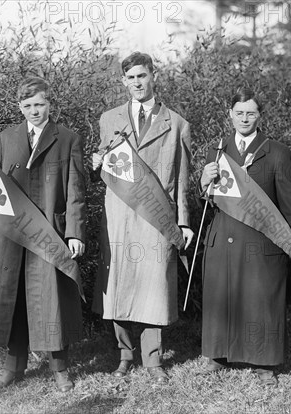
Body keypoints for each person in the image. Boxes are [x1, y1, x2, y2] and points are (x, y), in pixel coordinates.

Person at [0, 77, 86, 391]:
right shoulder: (5, 138)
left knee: (53, 298)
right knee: (14, 297)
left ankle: (60, 368)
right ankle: (13, 366)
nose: (34, 111)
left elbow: (75, 192)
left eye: (40, 104)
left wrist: (74, 233)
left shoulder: (68, 138)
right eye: (28, 105)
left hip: (50, 231)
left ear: (50, 105)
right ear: (20, 107)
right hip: (12, 233)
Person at [198, 89, 291, 387]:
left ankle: (264, 361)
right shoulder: (218, 150)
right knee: (223, 296)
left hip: (261, 239)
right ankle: (218, 353)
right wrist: (204, 181)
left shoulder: (275, 151)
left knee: (261, 299)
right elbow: (209, 202)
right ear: (230, 114)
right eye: (239, 113)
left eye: (251, 113)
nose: (245, 119)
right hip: (223, 236)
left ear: (260, 115)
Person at [91, 52, 194, 384]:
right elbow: (105, 168)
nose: (137, 82)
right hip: (119, 214)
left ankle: (152, 358)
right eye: (130, 77)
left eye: (142, 76)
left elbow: (181, 179)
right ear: (123, 81)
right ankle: (124, 355)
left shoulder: (177, 124)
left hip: (157, 217)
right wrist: (95, 163)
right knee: (119, 284)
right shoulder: (109, 119)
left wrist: (184, 221)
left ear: (154, 76)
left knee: (154, 286)